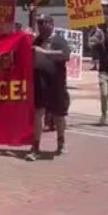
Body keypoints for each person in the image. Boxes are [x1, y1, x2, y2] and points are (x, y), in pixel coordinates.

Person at [26, 14, 70, 162]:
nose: (40, 26)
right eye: (39, 23)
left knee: (59, 115)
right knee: (38, 113)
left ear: (51, 24)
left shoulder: (59, 40)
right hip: (40, 82)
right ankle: (35, 146)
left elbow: (65, 55)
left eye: (43, 23)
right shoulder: (37, 40)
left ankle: (61, 142)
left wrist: (44, 52)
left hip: (56, 84)